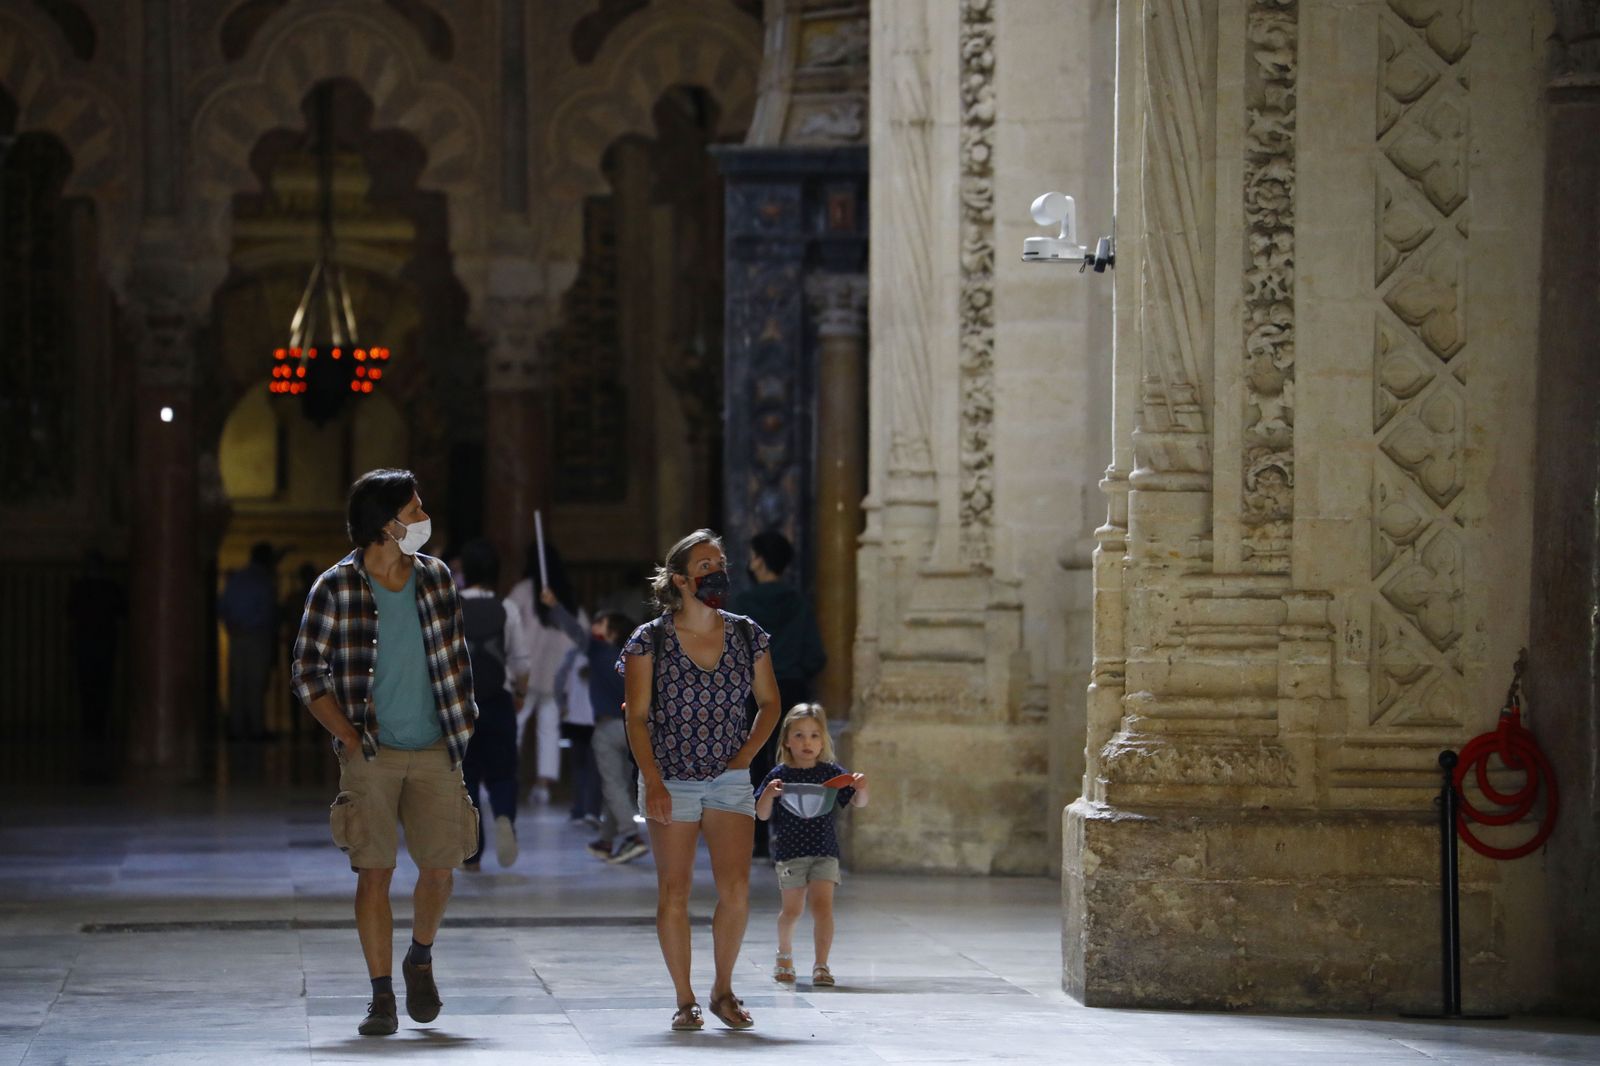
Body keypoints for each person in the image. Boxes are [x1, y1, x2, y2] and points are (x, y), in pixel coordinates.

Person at [291, 469, 479, 1037]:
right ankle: (380, 997)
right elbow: (306, 671)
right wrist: (347, 736)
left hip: (437, 744)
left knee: (441, 868)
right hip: (371, 749)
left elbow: (455, 656)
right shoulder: (336, 586)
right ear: (387, 523)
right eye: (415, 510)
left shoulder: (436, 578)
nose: (424, 519)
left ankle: (419, 956)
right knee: (374, 871)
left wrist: (462, 724)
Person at [617, 529, 781, 1031]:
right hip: (671, 776)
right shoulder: (652, 639)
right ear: (682, 580)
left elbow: (770, 703)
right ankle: (684, 998)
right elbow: (637, 717)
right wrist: (653, 780)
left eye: (721, 563)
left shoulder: (748, 634)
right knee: (675, 889)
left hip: (728, 780)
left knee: (735, 889)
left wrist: (745, 757)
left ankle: (723, 989)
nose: (718, 573)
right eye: (706, 566)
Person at [754, 703, 868, 988]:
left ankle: (821, 964)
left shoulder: (830, 773)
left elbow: (857, 802)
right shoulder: (780, 775)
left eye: (815, 736)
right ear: (787, 742)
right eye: (800, 735)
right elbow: (762, 813)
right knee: (792, 910)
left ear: (823, 741)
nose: (808, 742)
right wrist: (768, 793)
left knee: (823, 908)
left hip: (824, 851)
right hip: (791, 853)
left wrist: (861, 788)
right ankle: (784, 955)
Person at [730, 530, 826, 857]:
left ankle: (755, 839)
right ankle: (791, 835)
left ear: (758, 559)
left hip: (752, 692)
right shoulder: (798, 603)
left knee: (752, 761)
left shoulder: (742, 605)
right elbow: (815, 654)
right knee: (795, 760)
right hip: (791, 689)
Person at [542, 591, 645, 863]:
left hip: (607, 729)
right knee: (620, 785)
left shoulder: (598, 651)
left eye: (601, 623)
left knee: (611, 786)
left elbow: (574, 630)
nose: (594, 627)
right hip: (632, 729)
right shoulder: (632, 660)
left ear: (610, 633)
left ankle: (631, 835)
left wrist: (555, 605)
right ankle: (606, 841)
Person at [457, 538, 531, 871]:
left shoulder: (451, 607)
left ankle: (472, 851)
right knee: (503, 773)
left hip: (460, 703)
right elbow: (521, 663)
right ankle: (504, 817)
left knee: (466, 775)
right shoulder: (507, 608)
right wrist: (518, 695)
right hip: (499, 701)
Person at [505, 540, 582, 805]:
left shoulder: (524, 591)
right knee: (549, 729)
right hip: (557, 676)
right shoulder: (567, 595)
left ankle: (507, 778)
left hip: (526, 672)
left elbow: (506, 621)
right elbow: (580, 634)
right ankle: (543, 785)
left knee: (514, 725)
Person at [66, 550, 127, 781]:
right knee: (103, 685)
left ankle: (90, 727)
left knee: (86, 685)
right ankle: (99, 727)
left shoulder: (80, 588)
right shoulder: (111, 588)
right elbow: (123, 612)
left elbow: (70, 613)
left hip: (85, 645)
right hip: (105, 645)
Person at [220, 541, 280, 740]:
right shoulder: (264, 581)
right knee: (255, 684)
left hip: (237, 636)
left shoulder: (237, 579)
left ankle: (237, 729)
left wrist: (231, 625)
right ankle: (255, 729)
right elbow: (268, 613)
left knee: (237, 684)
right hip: (256, 636)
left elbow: (222, 606)